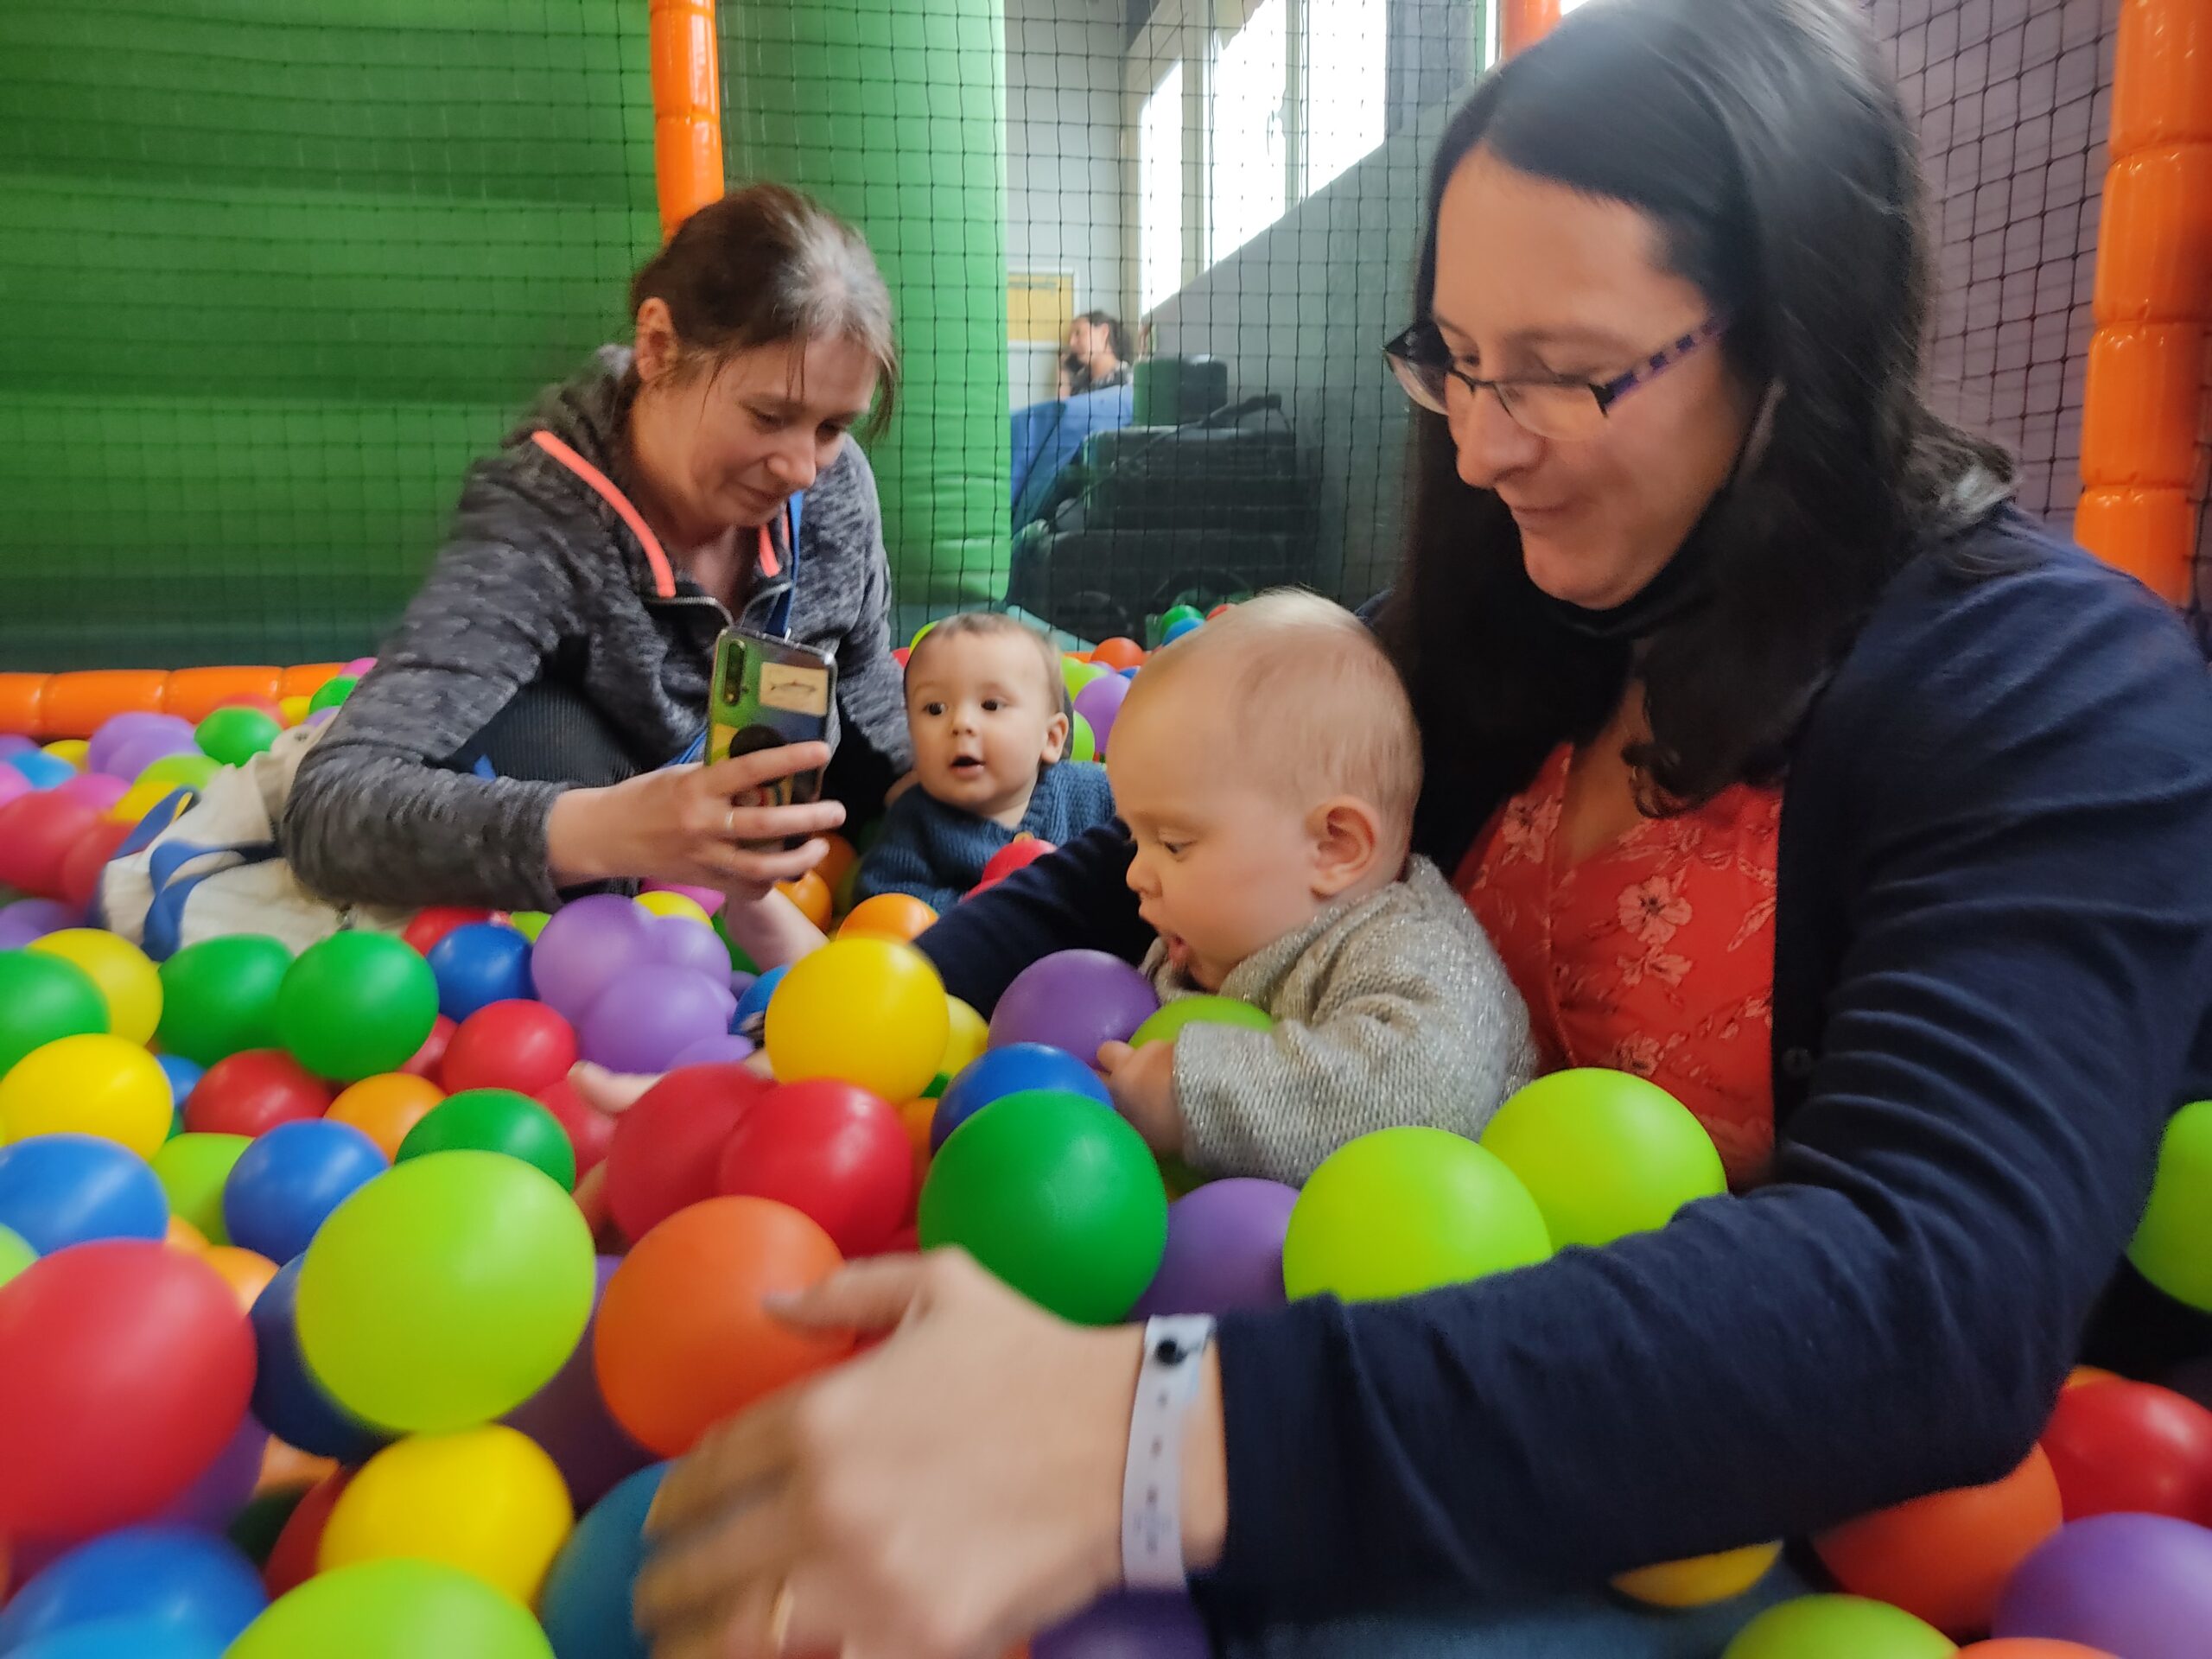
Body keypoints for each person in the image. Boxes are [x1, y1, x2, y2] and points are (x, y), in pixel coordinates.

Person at [631, 2, 2212, 1656]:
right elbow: (1133, 866)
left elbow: (1928, 1293)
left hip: (1812, 1528)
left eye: (1565, 374)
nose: (1481, 440)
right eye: (1454, 358)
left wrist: (1148, 1440)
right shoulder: (1517, 617)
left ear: (1793, 344)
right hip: (1379, 1355)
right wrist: (800, 1071)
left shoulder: (2054, 692)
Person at [282, 183, 910, 914]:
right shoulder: (540, 521)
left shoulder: (834, 486)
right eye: (769, 416)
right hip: (612, 896)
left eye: (833, 427)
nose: (803, 468)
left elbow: (863, 676)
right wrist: (609, 830)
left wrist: (944, 806)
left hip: (787, 886)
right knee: (541, 732)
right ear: (659, 347)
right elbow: (328, 807)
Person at [1095, 593, 1533, 1185]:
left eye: (1173, 844)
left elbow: (1427, 1095)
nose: (1134, 874)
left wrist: (1190, 1095)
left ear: (1334, 847)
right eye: (1134, 839)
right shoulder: (1206, 941)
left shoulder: (1407, 948)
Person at [849, 613, 1116, 915]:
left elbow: (1147, 841)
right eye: (935, 709)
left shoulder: (1095, 793)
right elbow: (883, 902)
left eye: (991, 705)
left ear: (1051, 738)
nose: (961, 723)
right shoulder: (915, 820)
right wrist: (982, 908)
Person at [1057, 309, 1132, 398]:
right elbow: (1064, 405)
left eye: (1078, 333)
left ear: (1103, 332)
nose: (1071, 343)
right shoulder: (1080, 382)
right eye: (1070, 338)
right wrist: (1063, 369)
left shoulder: (1126, 380)